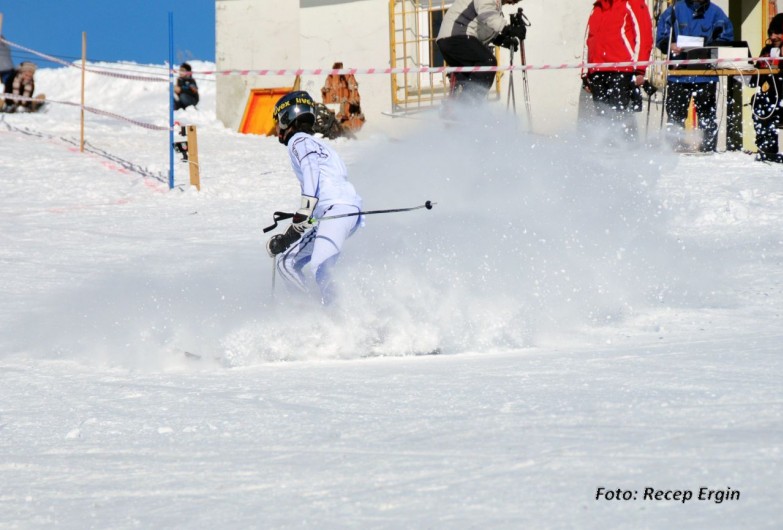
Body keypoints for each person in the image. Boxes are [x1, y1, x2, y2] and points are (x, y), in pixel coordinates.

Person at [266, 90, 363, 305]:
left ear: (287, 117)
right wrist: (289, 236)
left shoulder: (298, 141)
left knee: (321, 267)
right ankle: (311, 312)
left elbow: (311, 170)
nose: (278, 129)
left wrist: (306, 207)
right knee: (287, 262)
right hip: (340, 211)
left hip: (336, 211)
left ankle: (338, 317)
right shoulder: (321, 146)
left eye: (279, 122)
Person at [655, 0, 734, 152]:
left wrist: (709, 48)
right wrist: (669, 45)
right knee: (675, 116)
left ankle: (708, 150)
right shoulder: (674, 10)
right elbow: (661, 37)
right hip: (678, 74)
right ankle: (673, 150)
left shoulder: (717, 13)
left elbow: (727, 38)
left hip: (705, 75)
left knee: (707, 118)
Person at [582, 0, 653, 140]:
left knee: (620, 114)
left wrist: (640, 69)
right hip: (597, 70)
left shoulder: (632, 3)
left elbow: (643, 34)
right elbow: (589, 40)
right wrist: (585, 72)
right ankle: (608, 148)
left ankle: (627, 149)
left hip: (622, 69)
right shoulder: (597, 8)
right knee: (603, 115)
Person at [436, 0, 526, 103]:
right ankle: (466, 107)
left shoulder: (493, 6)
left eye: (515, 1)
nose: (512, 3)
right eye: (513, 0)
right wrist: (508, 29)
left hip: (450, 41)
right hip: (456, 35)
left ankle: (455, 107)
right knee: (487, 63)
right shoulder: (489, 3)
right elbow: (487, 14)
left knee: (471, 79)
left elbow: (484, 28)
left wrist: (503, 40)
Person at [749, 14, 783, 163]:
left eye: (778, 33)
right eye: (771, 33)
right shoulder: (767, 50)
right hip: (773, 99)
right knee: (759, 101)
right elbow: (755, 80)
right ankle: (767, 148)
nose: (774, 37)